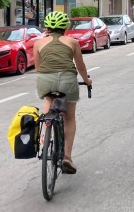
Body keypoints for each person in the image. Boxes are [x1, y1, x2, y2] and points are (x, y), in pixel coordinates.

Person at [33, 11, 92, 174]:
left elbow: (38, 69)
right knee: (69, 117)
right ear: (65, 27)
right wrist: (87, 80)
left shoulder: (38, 43)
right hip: (68, 80)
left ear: (47, 27)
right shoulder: (72, 42)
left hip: (45, 80)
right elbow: (80, 66)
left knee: (48, 99)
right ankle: (67, 156)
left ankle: (45, 132)